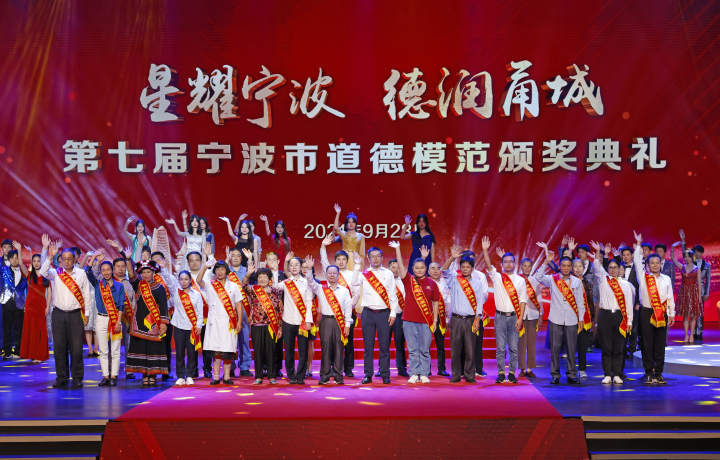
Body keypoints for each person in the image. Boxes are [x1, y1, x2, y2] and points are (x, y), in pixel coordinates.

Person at [40, 242, 91, 388]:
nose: (67, 262)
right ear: (61, 260)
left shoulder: (81, 273)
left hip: (75, 315)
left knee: (76, 348)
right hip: (58, 315)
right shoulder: (56, 273)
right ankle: (61, 377)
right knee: (59, 348)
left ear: (75, 259)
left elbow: (86, 294)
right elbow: (43, 272)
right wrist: (50, 257)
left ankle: (77, 377)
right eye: (64, 259)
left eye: (70, 259)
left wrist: (87, 314)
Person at [534, 242, 585, 385]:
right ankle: (555, 375)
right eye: (563, 266)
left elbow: (580, 302)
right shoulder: (552, 279)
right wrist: (546, 262)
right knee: (555, 348)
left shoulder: (576, 282)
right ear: (560, 266)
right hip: (555, 319)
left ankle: (571, 374)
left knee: (571, 349)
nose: (566, 268)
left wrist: (581, 319)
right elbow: (538, 276)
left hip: (572, 319)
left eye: (569, 266)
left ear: (571, 267)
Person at [481, 237, 527, 384]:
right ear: (501, 264)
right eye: (505, 261)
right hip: (499, 317)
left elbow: (523, 300)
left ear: (514, 263)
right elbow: (488, 265)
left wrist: (520, 318)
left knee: (513, 347)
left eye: (511, 261)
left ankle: (512, 373)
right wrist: (485, 250)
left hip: (514, 317)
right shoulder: (497, 277)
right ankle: (501, 373)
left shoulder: (520, 280)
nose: (508, 264)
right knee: (500, 347)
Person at [351, 248, 399, 384]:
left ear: (382, 257)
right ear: (368, 258)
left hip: (384, 313)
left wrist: (393, 313)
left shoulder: (388, 273)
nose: (376, 259)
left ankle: (385, 374)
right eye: (373, 256)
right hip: (368, 313)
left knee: (384, 346)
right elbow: (354, 282)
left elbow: (392, 294)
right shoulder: (364, 274)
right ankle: (368, 374)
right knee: (368, 346)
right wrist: (357, 264)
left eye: (378, 256)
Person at [633, 231, 676, 384]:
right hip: (646, 313)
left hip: (661, 313)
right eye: (652, 263)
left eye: (657, 263)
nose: (655, 265)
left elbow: (670, 297)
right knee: (647, 344)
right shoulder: (643, 277)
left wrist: (671, 314)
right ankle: (648, 372)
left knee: (660, 344)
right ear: (648, 265)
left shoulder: (666, 279)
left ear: (660, 264)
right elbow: (636, 261)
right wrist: (638, 244)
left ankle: (658, 373)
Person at [442, 245, 488, 383]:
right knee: (456, 349)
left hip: (470, 320)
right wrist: (452, 258)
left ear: (472, 268)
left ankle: (469, 375)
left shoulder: (477, 283)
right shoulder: (455, 280)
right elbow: (444, 270)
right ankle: (456, 375)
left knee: (470, 349)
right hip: (456, 319)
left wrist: (477, 319)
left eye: (468, 267)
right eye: (463, 267)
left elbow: (479, 301)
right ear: (460, 267)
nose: (465, 269)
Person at [590, 241, 634, 384]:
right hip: (605, 316)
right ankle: (607, 374)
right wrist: (598, 252)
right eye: (611, 267)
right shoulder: (603, 280)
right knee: (607, 346)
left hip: (620, 316)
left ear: (620, 269)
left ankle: (617, 374)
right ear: (607, 269)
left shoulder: (625, 285)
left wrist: (629, 321)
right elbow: (596, 266)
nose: (613, 270)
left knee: (619, 347)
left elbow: (629, 304)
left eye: (616, 267)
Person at [305, 256, 353, 385]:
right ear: (326, 275)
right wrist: (309, 269)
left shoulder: (344, 291)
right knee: (325, 348)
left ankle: (338, 376)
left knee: (339, 349)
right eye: (329, 273)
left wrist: (347, 325)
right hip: (325, 321)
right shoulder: (321, 288)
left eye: (334, 273)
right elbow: (310, 282)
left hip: (339, 322)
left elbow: (348, 309)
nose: (332, 275)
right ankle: (324, 376)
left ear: (338, 275)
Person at [396, 244, 439, 384]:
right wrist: (397, 249)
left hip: (426, 321)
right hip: (409, 321)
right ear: (413, 269)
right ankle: (414, 373)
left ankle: (424, 373)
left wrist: (435, 321)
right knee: (413, 349)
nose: (419, 270)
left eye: (422, 267)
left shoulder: (432, 283)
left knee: (424, 350)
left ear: (425, 268)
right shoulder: (408, 281)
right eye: (417, 268)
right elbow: (401, 267)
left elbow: (435, 303)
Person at [197, 260, 243, 385]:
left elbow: (238, 305)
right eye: (217, 269)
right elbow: (198, 280)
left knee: (227, 351)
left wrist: (239, 321)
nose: (219, 272)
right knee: (216, 352)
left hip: (229, 322)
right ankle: (216, 377)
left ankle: (227, 377)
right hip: (214, 323)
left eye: (222, 269)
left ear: (227, 271)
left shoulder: (233, 286)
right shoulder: (210, 284)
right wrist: (205, 266)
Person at [127, 259, 170, 385]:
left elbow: (163, 306)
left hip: (153, 323)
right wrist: (128, 259)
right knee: (141, 349)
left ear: (153, 273)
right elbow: (131, 275)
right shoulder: (138, 285)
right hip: (139, 323)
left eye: (148, 272)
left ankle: (153, 374)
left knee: (153, 349)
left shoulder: (160, 288)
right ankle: (144, 374)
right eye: (143, 272)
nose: (146, 274)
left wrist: (163, 323)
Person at [320, 235, 357, 377]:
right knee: (331, 343)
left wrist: (348, 309)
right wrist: (323, 247)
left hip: (347, 313)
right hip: (331, 314)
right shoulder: (331, 272)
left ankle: (348, 368)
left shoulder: (352, 274)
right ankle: (330, 368)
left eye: (344, 259)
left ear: (347, 261)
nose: (341, 262)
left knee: (348, 342)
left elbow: (355, 294)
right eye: (338, 259)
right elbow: (324, 261)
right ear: (335, 261)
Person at [86, 259, 127, 387]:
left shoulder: (119, 286)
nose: (106, 272)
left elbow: (121, 305)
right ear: (101, 272)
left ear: (112, 270)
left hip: (115, 319)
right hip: (101, 319)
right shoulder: (98, 284)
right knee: (103, 350)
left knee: (115, 350)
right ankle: (105, 376)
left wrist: (119, 321)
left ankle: (114, 376)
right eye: (103, 270)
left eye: (108, 269)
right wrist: (94, 257)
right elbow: (87, 271)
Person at [242, 264, 284, 384]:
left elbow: (279, 310)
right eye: (260, 277)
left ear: (269, 278)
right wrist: (248, 274)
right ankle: (258, 376)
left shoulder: (276, 291)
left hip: (271, 325)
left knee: (271, 351)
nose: (262, 279)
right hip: (256, 325)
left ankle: (271, 376)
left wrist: (280, 328)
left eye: (265, 277)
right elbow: (243, 286)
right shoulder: (253, 290)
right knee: (258, 351)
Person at [279, 257, 314, 384]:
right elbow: (273, 286)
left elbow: (309, 303)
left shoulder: (306, 282)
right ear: (288, 268)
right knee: (289, 350)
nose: (294, 267)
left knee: (303, 351)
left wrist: (308, 320)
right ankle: (291, 375)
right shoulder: (285, 283)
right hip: (288, 321)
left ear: (300, 267)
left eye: (296, 265)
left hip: (302, 322)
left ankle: (300, 376)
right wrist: (275, 269)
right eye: (291, 265)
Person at [171, 271, 204, 385]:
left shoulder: (196, 294)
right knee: (179, 352)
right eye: (181, 279)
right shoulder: (176, 292)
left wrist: (199, 325)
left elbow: (200, 312)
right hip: (179, 326)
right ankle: (180, 376)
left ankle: (190, 375)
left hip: (192, 328)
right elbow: (169, 281)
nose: (183, 282)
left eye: (186, 279)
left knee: (191, 352)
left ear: (190, 280)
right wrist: (165, 269)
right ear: (178, 280)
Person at [225, 247, 252, 377]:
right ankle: (229, 366)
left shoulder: (247, 271)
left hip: (244, 309)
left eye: (238, 255)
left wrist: (251, 259)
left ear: (242, 258)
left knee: (244, 340)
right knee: (229, 339)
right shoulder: (225, 271)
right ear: (229, 257)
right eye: (233, 255)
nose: (235, 258)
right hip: (229, 310)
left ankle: (245, 366)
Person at [20, 251, 51, 363]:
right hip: (30, 306)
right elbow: (21, 263)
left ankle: (40, 355)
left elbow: (49, 292)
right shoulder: (29, 275)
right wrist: (19, 250)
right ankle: (32, 354)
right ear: (32, 263)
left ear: (41, 263)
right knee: (31, 330)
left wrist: (48, 306)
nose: (36, 263)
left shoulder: (46, 276)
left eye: (38, 261)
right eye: (34, 261)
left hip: (41, 306)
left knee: (40, 330)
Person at [671, 240, 702, 343]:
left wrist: (699, 297)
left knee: (693, 316)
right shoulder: (682, 267)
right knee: (685, 316)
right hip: (684, 292)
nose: (686, 258)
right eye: (685, 256)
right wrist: (673, 247)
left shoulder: (697, 269)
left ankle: (691, 335)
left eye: (688, 256)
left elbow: (699, 283)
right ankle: (686, 335)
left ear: (692, 257)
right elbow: (673, 258)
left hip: (693, 293)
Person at [517, 257, 543, 378]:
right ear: (521, 266)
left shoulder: (535, 281)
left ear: (532, 267)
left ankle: (529, 368)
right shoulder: (517, 280)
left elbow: (539, 299)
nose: (527, 268)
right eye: (525, 265)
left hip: (533, 315)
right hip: (520, 316)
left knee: (531, 343)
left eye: (529, 266)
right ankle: (522, 368)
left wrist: (540, 315)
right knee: (521, 343)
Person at [2, 243, 27, 359]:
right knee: (7, 328)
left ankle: (18, 351)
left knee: (19, 328)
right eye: (12, 258)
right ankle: (7, 352)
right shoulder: (3, 270)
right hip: (7, 303)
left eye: (17, 258)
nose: (15, 260)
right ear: (9, 259)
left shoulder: (23, 272)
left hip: (20, 304)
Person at [386, 247, 408, 377]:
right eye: (393, 267)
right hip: (386, 316)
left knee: (400, 343)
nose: (395, 270)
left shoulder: (404, 282)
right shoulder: (384, 282)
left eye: (397, 267)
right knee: (385, 343)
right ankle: (383, 368)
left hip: (400, 316)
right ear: (389, 269)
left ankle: (402, 368)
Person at [572, 258, 594, 379]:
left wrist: (593, 319)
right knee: (571, 346)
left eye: (580, 266)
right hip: (571, 318)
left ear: (584, 268)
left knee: (582, 346)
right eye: (575, 266)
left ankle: (582, 368)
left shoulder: (588, 283)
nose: (578, 269)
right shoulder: (568, 282)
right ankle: (571, 369)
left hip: (585, 319)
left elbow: (591, 302)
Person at [427, 262, 450, 376]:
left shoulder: (445, 282)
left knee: (440, 344)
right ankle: (426, 369)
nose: (435, 271)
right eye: (433, 268)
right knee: (426, 345)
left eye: (438, 268)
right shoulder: (425, 283)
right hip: (428, 317)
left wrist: (448, 317)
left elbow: (448, 300)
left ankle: (441, 369)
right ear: (428, 271)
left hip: (441, 316)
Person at [332, 204, 365, 270]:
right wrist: (338, 213)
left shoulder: (361, 236)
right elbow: (335, 228)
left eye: (353, 222)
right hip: (344, 260)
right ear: (346, 224)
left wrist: (361, 265)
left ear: (355, 224)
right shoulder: (343, 234)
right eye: (349, 222)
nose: (351, 224)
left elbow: (362, 253)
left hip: (355, 260)